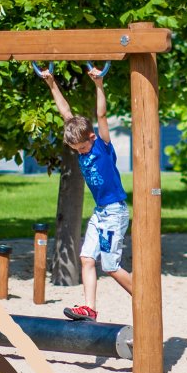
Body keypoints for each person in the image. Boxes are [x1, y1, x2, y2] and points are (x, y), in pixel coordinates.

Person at [42, 66, 132, 321]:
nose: (80, 152)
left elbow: (101, 115)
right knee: (86, 258)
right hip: (100, 212)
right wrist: (51, 83)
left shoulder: (102, 146)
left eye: (82, 147)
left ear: (91, 137)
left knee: (111, 266)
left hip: (115, 211)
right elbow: (65, 112)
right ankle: (89, 309)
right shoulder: (79, 140)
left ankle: (143, 298)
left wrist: (99, 85)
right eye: (76, 149)